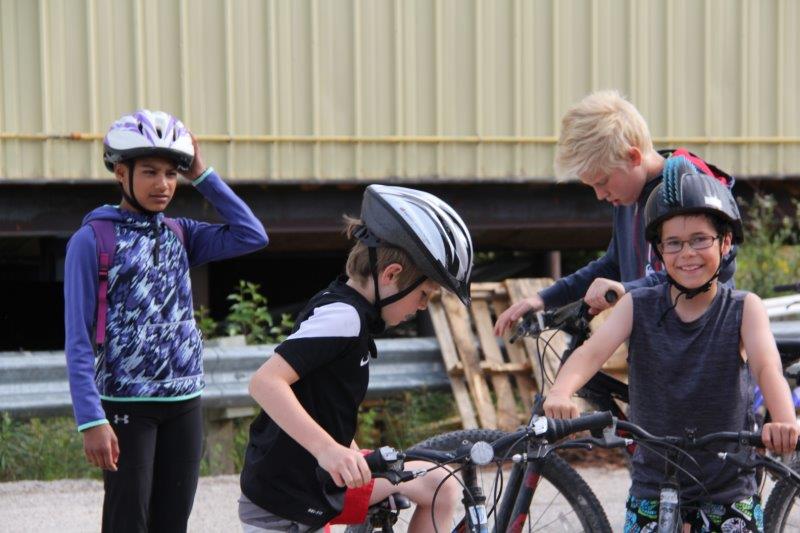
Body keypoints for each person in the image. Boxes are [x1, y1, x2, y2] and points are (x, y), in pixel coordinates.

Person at [542, 160, 800, 532]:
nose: (687, 254)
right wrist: (561, 392)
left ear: (725, 243)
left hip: (728, 485)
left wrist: (784, 421)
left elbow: (766, 367)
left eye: (700, 239)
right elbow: (590, 353)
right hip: (653, 482)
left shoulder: (744, 309)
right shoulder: (638, 305)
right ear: (659, 253)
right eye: (673, 244)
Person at [64, 109, 268, 533]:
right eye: (150, 172)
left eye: (172, 174)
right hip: (125, 407)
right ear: (121, 173)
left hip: (184, 403)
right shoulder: (92, 240)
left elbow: (252, 233)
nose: (163, 185)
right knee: (127, 523)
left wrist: (202, 172)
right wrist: (91, 418)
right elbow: (78, 338)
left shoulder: (181, 233)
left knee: (172, 524)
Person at [239, 184, 473, 532]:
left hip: (313, 481)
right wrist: (329, 451)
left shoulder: (352, 314)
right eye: (423, 295)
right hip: (286, 498)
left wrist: (348, 452)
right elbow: (265, 383)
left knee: (440, 484)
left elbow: (319, 401)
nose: (422, 306)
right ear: (391, 275)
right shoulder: (344, 317)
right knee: (439, 484)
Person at [494, 89, 736, 336]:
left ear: (632, 156)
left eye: (603, 181)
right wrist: (543, 299)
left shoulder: (685, 189)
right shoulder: (628, 198)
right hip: (653, 352)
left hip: (701, 348)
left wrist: (626, 289)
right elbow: (612, 265)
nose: (600, 195)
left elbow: (700, 272)